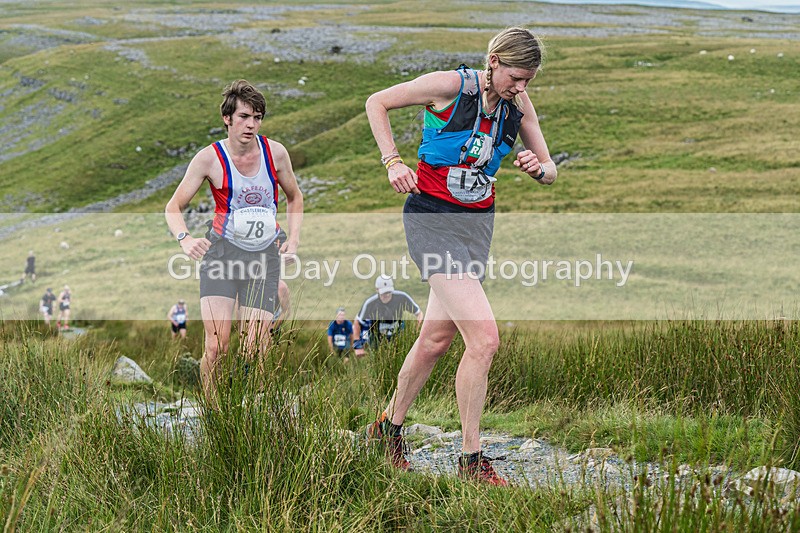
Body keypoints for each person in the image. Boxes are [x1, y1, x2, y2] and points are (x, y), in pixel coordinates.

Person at [364, 27, 556, 484]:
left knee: (435, 340)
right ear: (494, 61)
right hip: (431, 221)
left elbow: (550, 169)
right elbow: (377, 102)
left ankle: (385, 430)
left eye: (528, 80)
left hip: (476, 230)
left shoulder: (519, 106)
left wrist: (539, 168)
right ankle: (471, 460)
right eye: (515, 77)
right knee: (485, 339)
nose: (520, 88)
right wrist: (393, 161)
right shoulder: (452, 86)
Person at [165, 79, 304, 403]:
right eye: (244, 117)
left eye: (257, 118)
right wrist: (185, 239)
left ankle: (253, 411)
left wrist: (294, 241)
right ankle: (212, 412)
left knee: (256, 347)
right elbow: (173, 207)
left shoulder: (276, 153)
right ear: (227, 118)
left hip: (263, 257)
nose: (251, 125)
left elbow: (295, 197)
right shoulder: (209, 159)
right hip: (222, 256)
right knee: (217, 346)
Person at [352, 275, 423, 354]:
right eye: (383, 293)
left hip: (397, 334)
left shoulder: (402, 297)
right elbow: (357, 322)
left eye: (389, 292)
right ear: (377, 290)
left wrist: (417, 331)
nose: (387, 295)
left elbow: (419, 313)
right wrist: (357, 346)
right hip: (377, 337)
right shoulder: (370, 303)